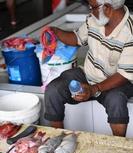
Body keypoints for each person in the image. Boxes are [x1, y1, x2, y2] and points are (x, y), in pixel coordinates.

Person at [44, 0, 133, 137]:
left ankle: (117, 146)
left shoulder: (130, 32)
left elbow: (123, 75)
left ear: (108, 8)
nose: (90, 11)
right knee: (54, 89)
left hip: (117, 82)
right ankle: (58, 140)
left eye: (93, 7)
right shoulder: (94, 20)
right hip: (89, 75)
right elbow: (76, 38)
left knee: (116, 100)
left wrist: (93, 89)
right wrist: (55, 31)